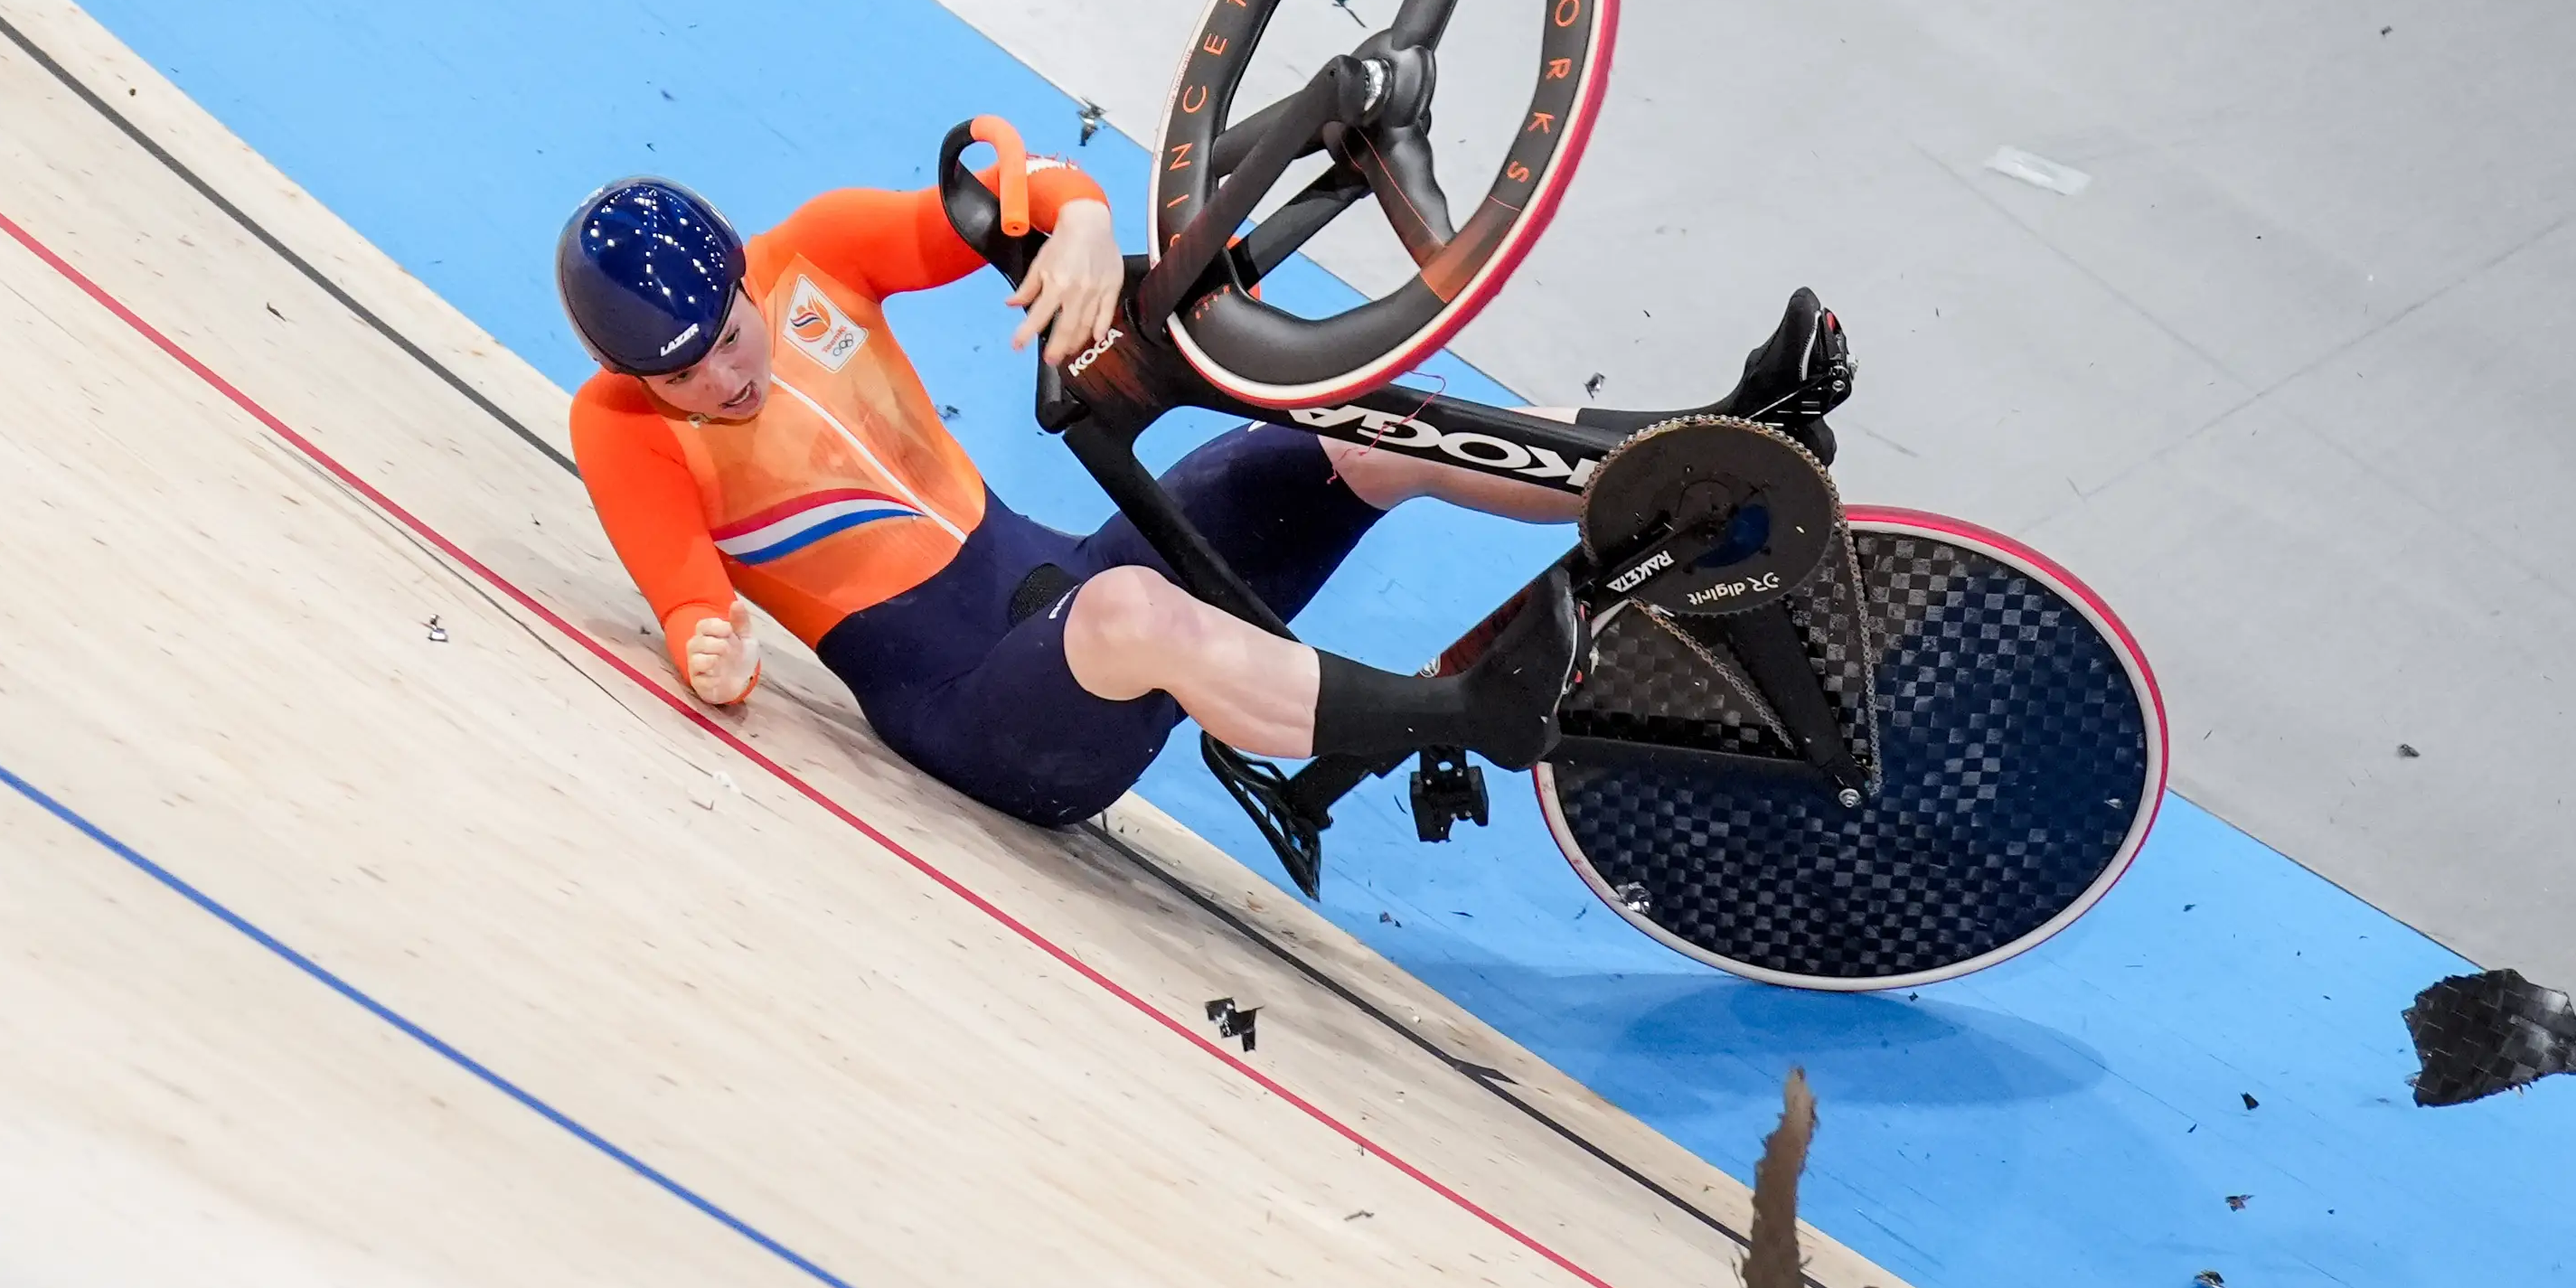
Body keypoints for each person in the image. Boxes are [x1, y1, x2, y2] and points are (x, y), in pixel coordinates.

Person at [561, 120, 1792, 832]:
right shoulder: (619, 428)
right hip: (980, 713)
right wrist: (709, 649)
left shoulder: (816, 252)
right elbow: (690, 604)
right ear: (624, 373)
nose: (725, 378)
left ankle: (1702, 441)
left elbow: (1006, 193)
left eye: (731, 336)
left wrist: (1084, 221)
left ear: (745, 274)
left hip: (1056, 581)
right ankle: (1471, 715)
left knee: (1349, 436)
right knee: (1132, 611)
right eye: (682, 376)